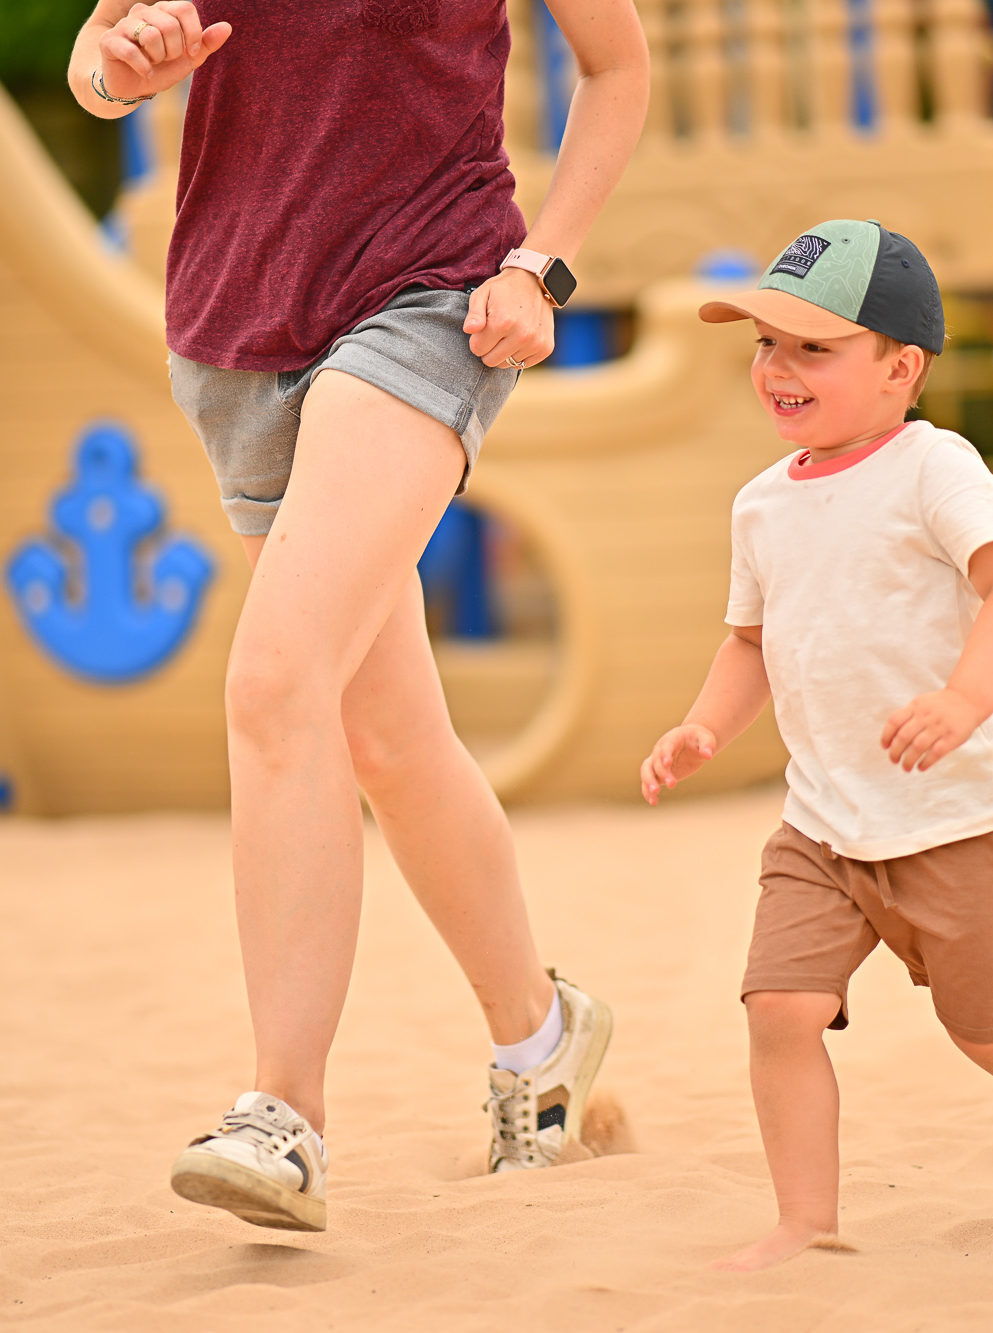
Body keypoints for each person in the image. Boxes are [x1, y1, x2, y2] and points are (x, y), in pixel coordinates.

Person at [67, 0, 649, 1232]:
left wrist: (539, 265)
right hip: (233, 324)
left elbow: (615, 68)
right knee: (387, 737)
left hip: (428, 295)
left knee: (277, 681)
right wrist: (121, 69)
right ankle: (541, 1035)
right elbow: (97, 60)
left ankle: (282, 1115)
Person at [638, 221, 993, 1272]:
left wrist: (965, 698)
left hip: (950, 820)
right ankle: (803, 1220)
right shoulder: (761, 504)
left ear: (900, 368)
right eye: (765, 344)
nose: (778, 368)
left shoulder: (933, 466)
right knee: (780, 1007)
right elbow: (751, 642)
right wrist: (703, 725)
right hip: (822, 825)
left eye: (812, 347)